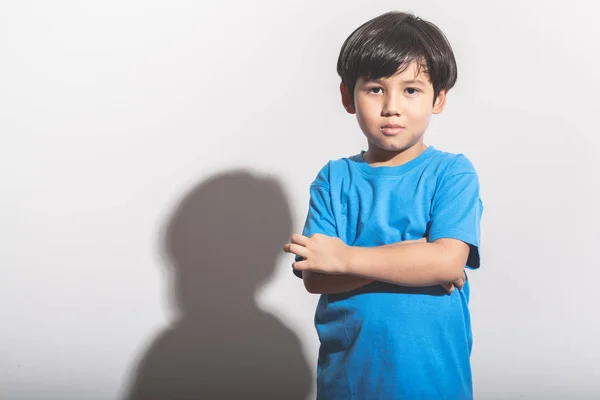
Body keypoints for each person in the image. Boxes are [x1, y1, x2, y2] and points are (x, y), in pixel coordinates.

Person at [283, 11, 484, 400]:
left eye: (411, 90)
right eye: (375, 89)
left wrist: (344, 258)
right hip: (350, 383)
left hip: (435, 383)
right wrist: (416, 258)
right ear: (347, 97)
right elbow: (316, 276)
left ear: (438, 98)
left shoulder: (452, 173)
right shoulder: (334, 178)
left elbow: (446, 263)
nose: (392, 107)